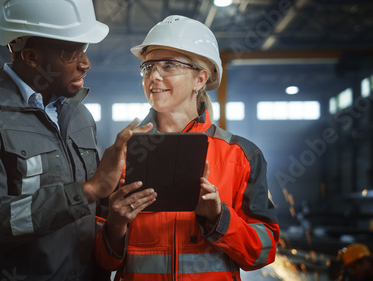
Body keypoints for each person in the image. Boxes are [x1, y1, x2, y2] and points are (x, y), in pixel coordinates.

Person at [0, 0, 153, 280]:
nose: (86, 63)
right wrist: (86, 192)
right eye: (72, 52)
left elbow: (93, 212)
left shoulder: (79, 114)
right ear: (31, 57)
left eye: (85, 49)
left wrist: (116, 204)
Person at [95, 15, 280, 280]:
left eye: (169, 65)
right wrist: (115, 224)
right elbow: (102, 261)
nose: (153, 76)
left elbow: (263, 252)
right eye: (148, 67)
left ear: (200, 79)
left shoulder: (241, 155)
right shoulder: (121, 154)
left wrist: (218, 217)